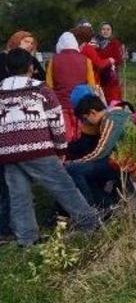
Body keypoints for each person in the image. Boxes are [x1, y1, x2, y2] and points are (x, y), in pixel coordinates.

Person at [0, 48, 100, 246]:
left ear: (6, 68)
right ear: (31, 67)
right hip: (37, 147)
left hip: (7, 152)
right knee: (62, 185)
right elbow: (56, 120)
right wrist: (61, 148)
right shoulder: (41, 89)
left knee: (19, 194)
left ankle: (27, 238)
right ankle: (89, 222)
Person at [64, 95, 131, 208]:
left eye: (85, 118)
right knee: (82, 171)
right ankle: (105, 204)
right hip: (117, 160)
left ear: (93, 112)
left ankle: (91, 208)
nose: (86, 122)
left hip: (120, 163)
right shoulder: (110, 118)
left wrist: (76, 162)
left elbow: (101, 151)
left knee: (73, 170)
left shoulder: (111, 120)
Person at [46, 32, 96, 142]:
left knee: (66, 132)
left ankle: (66, 153)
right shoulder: (86, 60)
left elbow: (49, 86)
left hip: (60, 103)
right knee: (80, 131)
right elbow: (91, 85)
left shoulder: (53, 60)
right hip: (80, 103)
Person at [93, 23, 124, 103]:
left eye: (108, 29)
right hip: (98, 76)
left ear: (111, 31)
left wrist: (109, 62)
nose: (105, 31)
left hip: (111, 77)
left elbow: (118, 59)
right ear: (100, 31)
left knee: (113, 101)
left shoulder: (115, 43)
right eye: (103, 29)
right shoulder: (95, 44)